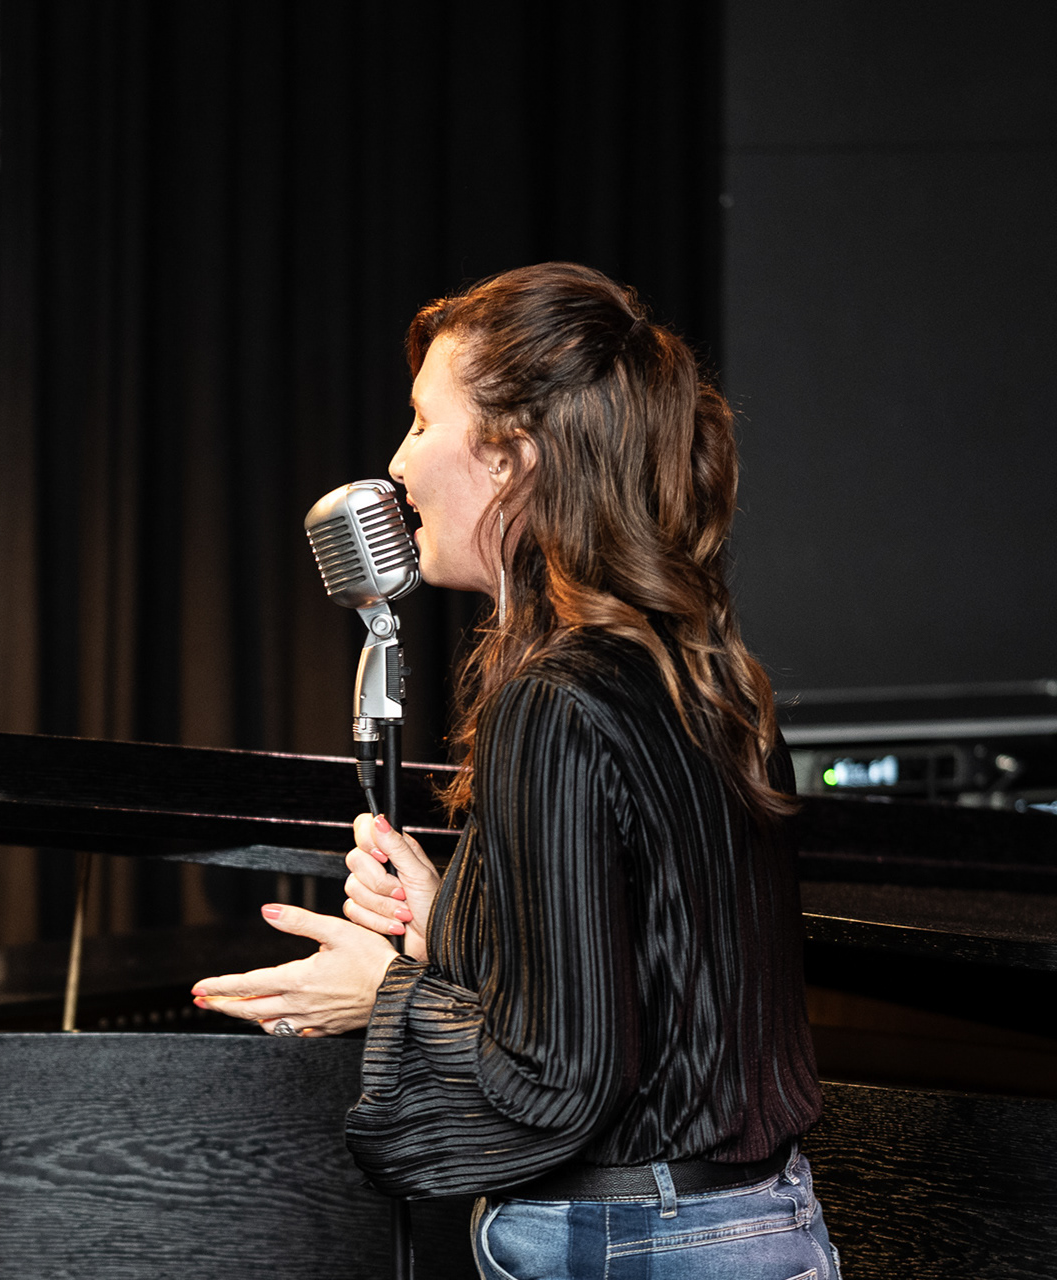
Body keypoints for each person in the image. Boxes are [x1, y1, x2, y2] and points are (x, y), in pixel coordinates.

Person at [192, 264, 837, 1279]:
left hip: (636, 1244)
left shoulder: (554, 699)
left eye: (421, 421)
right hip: (760, 1223)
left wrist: (383, 992)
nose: (396, 463)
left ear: (510, 459)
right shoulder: (711, 673)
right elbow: (659, 985)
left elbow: (560, 1076)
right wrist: (454, 919)